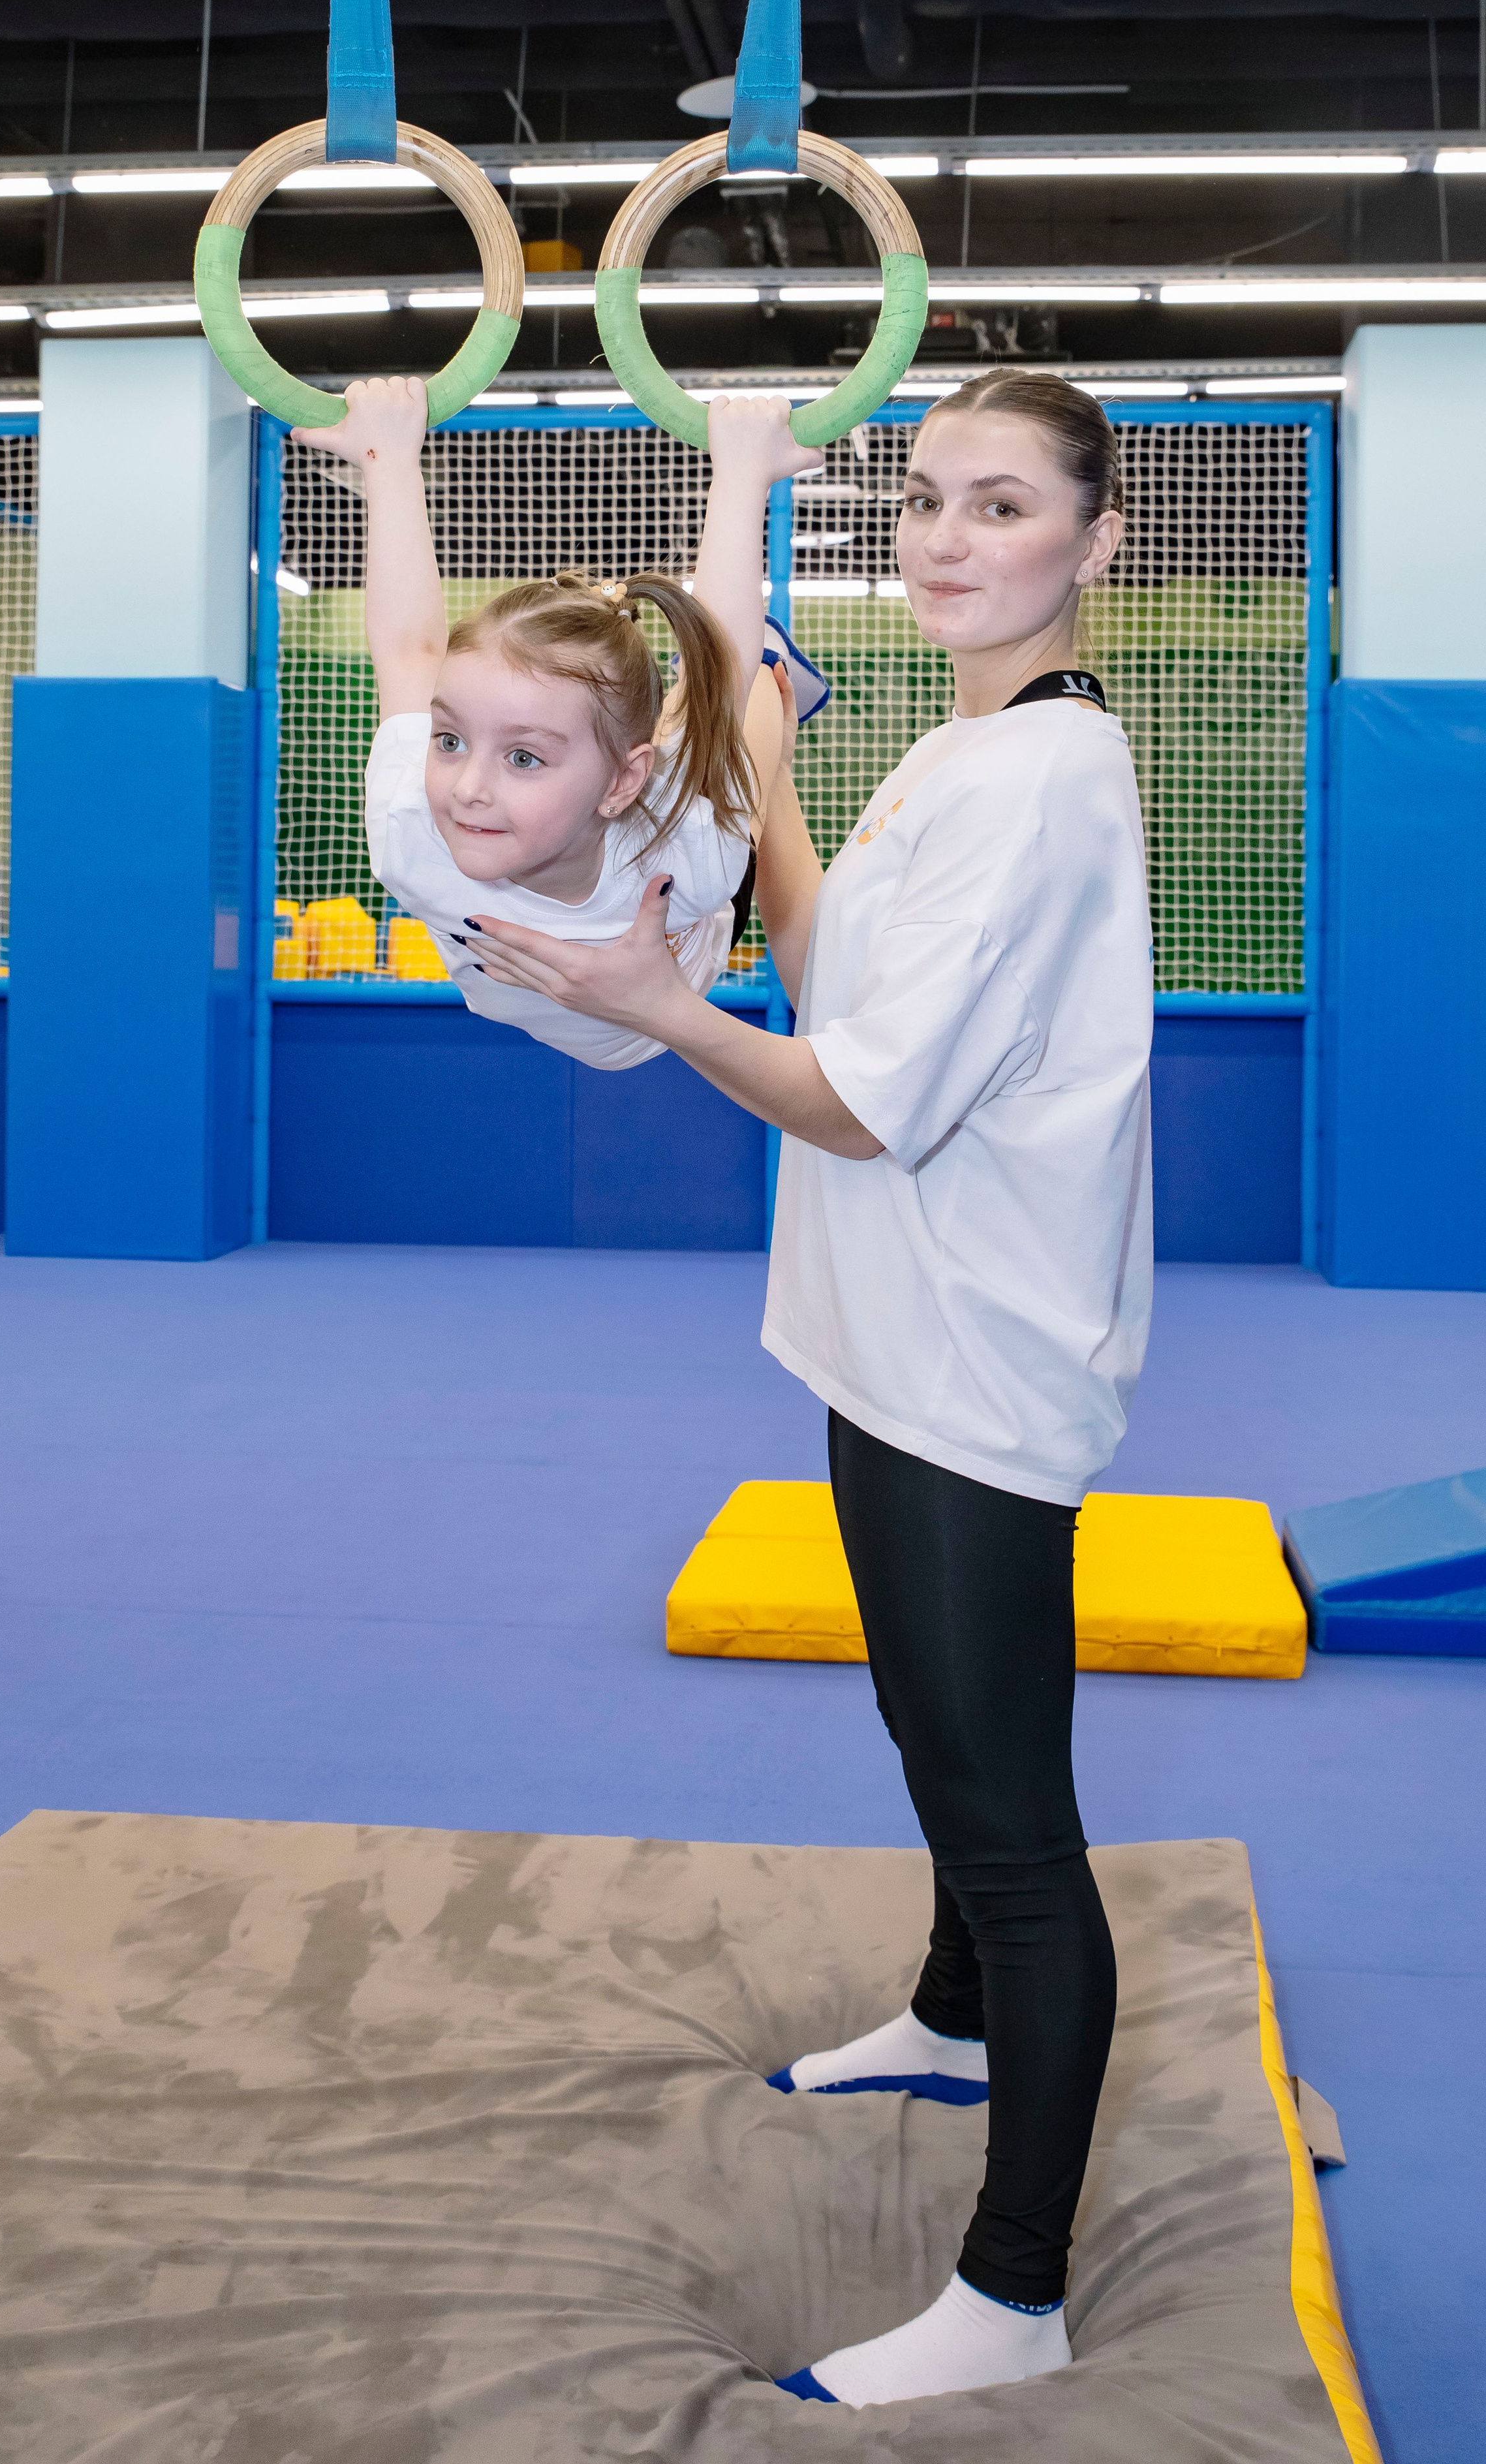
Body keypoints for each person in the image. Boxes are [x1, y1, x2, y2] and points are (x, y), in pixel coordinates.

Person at [457, 368, 1153, 2409]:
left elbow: (845, 1097)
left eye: (1002, 505)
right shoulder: (966, 741)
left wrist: (650, 998)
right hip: (881, 1315)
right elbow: (837, 959)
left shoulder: (1040, 778)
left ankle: (1010, 2288)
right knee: (923, 1724)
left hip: (972, 1346)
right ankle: (945, 2015)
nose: (946, 537)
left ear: (1094, 544)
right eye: (927, 497)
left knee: (1009, 1812)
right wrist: (764, 763)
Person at [292, 378, 824, 1069]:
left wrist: (744, 472)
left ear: (623, 782)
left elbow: (722, 661)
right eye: (449, 741)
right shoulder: (409, 828)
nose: (468, 788)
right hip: (613, 814)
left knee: (728, 706)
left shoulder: (685, 856)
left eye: (522, 759)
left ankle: (772, 656)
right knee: (696, 707)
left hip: (677, 976)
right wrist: (383, 455)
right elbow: (409, 652)